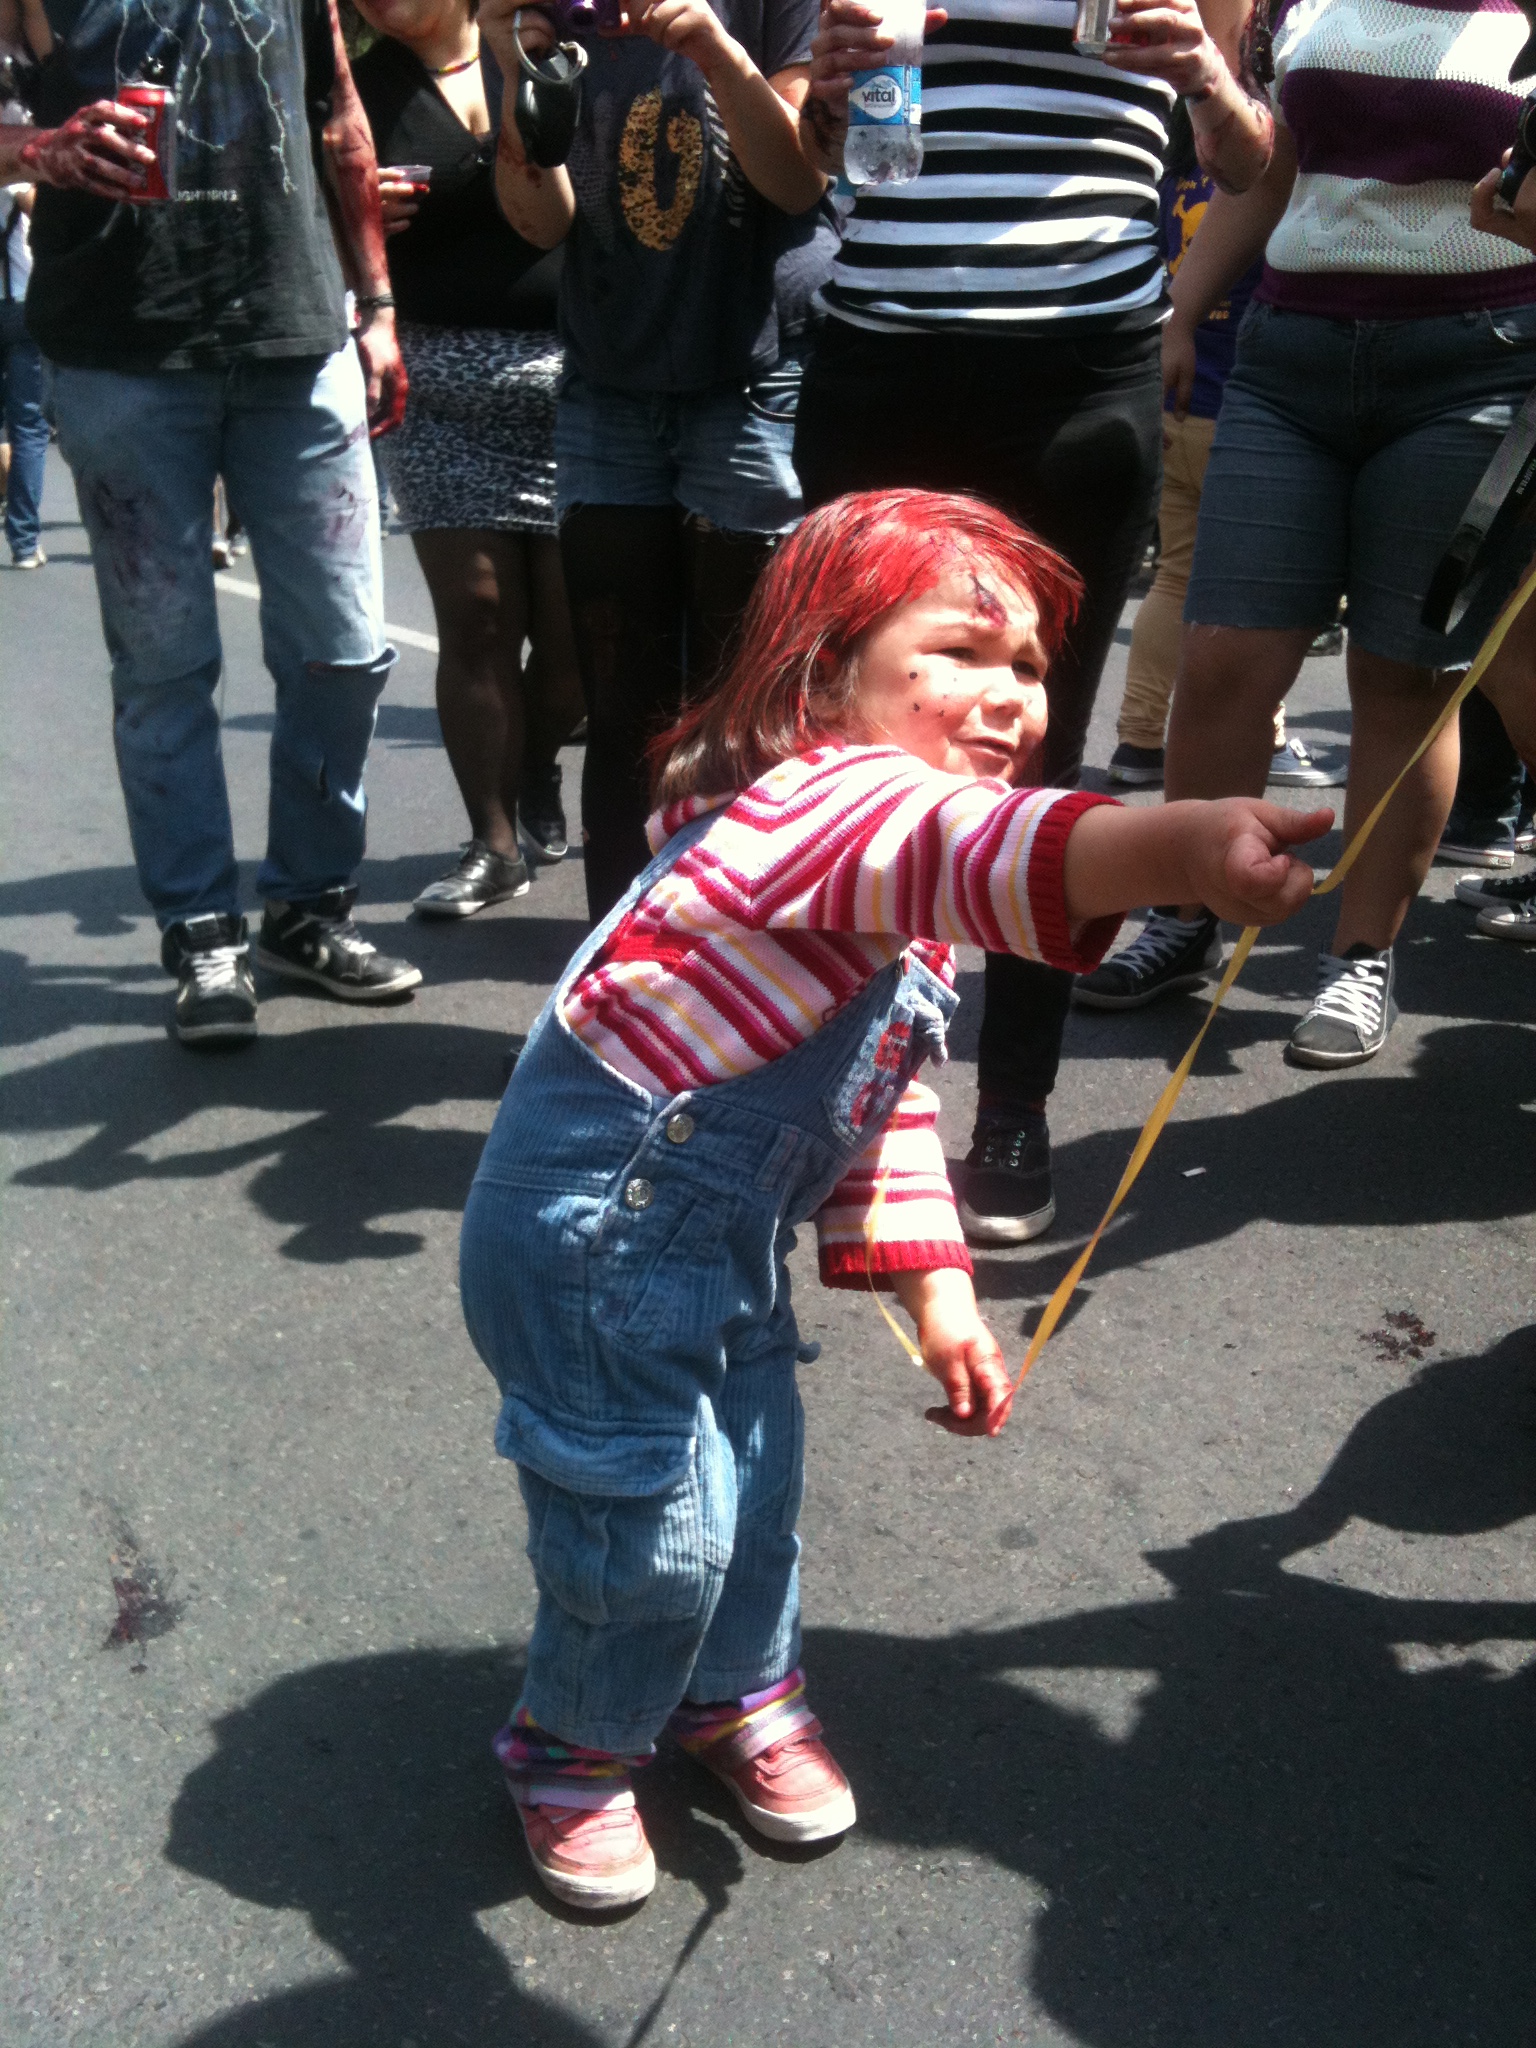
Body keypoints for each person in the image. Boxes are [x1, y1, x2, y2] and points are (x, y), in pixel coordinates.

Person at [458, 488, 1332, 1912]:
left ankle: (736, 1695)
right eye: (961, 652)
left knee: (757, 1498)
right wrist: (1176, 852)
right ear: (822, 678)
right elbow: (988, 847)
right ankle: (576, 1745)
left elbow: (879, 1104)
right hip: (589, 1251)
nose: (1012, 696)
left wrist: (941, 1293)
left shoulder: (895, 903)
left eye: (1031, 665)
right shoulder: (817, 807)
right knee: (651, 1530)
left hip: (713, 1243)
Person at [793, 0, 1275, 1245]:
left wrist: (1206, 73)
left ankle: (1012, 1104)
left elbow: (1248, 160)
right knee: (841, 745)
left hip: (1078, 379)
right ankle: (827, 1090)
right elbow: (805, 165)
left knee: (1031, 748)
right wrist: (829, 96)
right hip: (878, 364)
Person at [1076, 0, 1536, 1058]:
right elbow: (1278, 172)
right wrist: (1184, 307)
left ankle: (1361, 957)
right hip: (1290, 358)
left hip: (1474, 363)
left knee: (1402, 676)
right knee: (1223, 658)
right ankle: (1186, 910)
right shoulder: (1317, 4)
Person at [7, 0, 420, 1046]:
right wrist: (39, 149)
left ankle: (307, 907)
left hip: (299, 337)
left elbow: (340, 119)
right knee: (164, 666)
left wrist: (377, 305)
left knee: (344, 650)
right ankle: (200, 930)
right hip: (120, 351)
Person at [476, 0, 837, 923]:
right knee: (623, 705)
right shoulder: (547, 12)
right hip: (609, 382)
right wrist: (515, 70)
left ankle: (745, 965)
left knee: (746, 704)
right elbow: (537, 222)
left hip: (753, 373)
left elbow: (798, 183)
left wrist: (713, 45)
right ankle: (616, 971)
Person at [352, 0, 586, 915]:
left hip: (580, 381)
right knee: (478, 616)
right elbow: (312, 221)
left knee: (576, 639)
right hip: (437, 385)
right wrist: (352, 218)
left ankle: (534, 763)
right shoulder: (359, 90)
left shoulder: (556, 52)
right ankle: (492, 842)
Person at [1107, 105, 1335, 795]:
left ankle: (1138, 737)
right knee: (1264, 593)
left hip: (1175, 399)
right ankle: (1268, 737)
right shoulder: (1260, 183)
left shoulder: (1170, 181)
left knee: (1175, 577)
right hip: (1245, 410)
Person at [0, 50, 46, 570]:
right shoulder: (17, 135)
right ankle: (26, 542)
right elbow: (35, 206)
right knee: (28, 427)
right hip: (21, 299)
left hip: (17, 298)